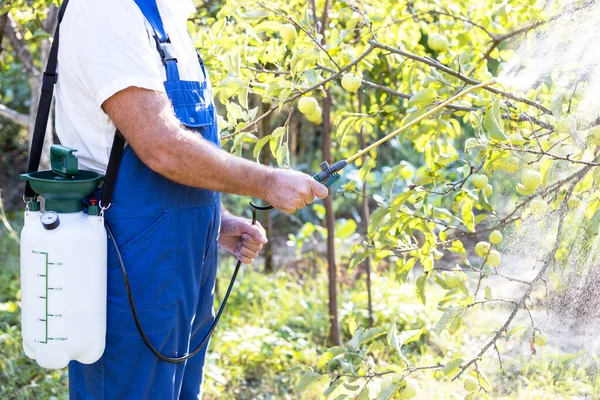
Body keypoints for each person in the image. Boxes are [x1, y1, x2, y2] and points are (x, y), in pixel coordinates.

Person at [55, 0, 328, 398]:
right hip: (129, 264)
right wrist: (267, 182)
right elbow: (162, 146)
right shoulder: (107, 10)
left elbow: (177, 153)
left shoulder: (167, 16)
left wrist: (213, 220)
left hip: (183, 264)